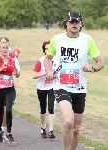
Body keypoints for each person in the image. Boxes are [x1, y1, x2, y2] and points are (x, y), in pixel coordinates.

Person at [44, 11, 104, 150]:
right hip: (61, 86)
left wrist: (93, 68)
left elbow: (100, 62)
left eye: (77, 22)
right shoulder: (57, 39)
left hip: (79, 87)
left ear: (81, 24)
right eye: (71, 22)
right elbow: (48, 58)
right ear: (66, 23)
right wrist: (49, 71)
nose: (74, 25)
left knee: (76, 129)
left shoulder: (87, 40)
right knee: (68, 121)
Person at [0, 37, 20, 143]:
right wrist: (0, 70)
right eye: (3, 48)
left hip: (10, 89)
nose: (5, 49)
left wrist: (17, 73)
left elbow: (16, 72)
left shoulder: (12, 59)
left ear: (9, 48)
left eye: (6, 47)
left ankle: (9, 133)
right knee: (0, 112)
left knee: (8, 110)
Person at [33, 41, 57, 139]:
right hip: (42, 87)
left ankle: (51, 131)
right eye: (46, 49)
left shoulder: (56, 60)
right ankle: (43, 127)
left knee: (51, 108)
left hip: (53, 87)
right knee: (43, 108)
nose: (48, 50)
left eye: (49, 48)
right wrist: (44, 74)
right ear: (44, 50)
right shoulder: (40, 61)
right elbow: (34, 75)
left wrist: (55, 76)